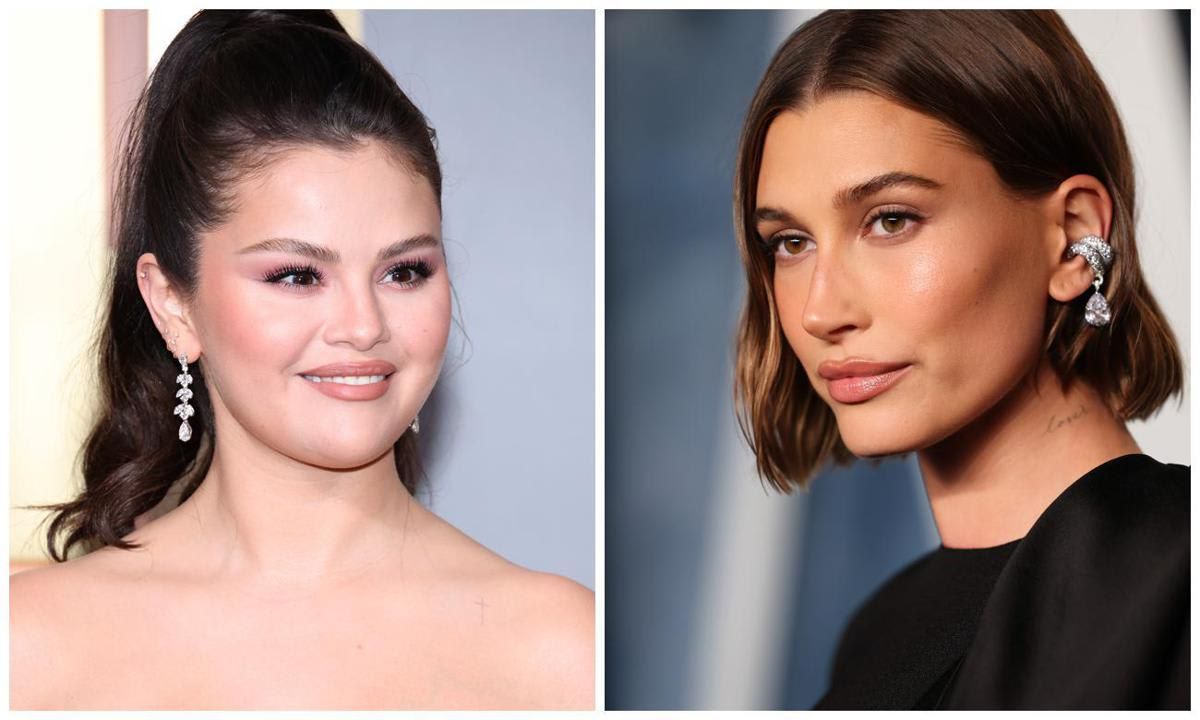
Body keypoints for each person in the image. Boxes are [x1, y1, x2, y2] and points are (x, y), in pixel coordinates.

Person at [10, 10, 592, 710]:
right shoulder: (30, 643)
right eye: (296, 275)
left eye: (404, 271)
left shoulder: (564, 652)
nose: (363, 325)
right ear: (172, 303)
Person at [733, 10, 1187, 710]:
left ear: (1073, 240)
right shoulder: (877, 634)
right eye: (791, 242)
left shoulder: (1176, 577)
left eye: (891, 219)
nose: (821, 311)